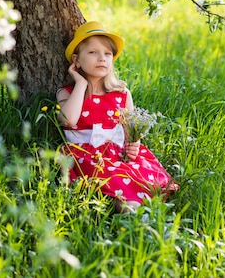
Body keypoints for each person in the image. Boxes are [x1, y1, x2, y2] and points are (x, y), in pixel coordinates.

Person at [57, 21, 178, 213]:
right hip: (86, 157)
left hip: (117, 156)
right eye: (93, 52)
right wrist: (80, 83)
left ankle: (140, 212)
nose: (101, 58)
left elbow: (131, 133)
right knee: (116, 190)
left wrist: (134, 145)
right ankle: (132, 212)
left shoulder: (122, 94)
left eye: (107, 54)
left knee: (137, 181)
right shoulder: (67, 93)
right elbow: (69, 120)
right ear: (76, 60)